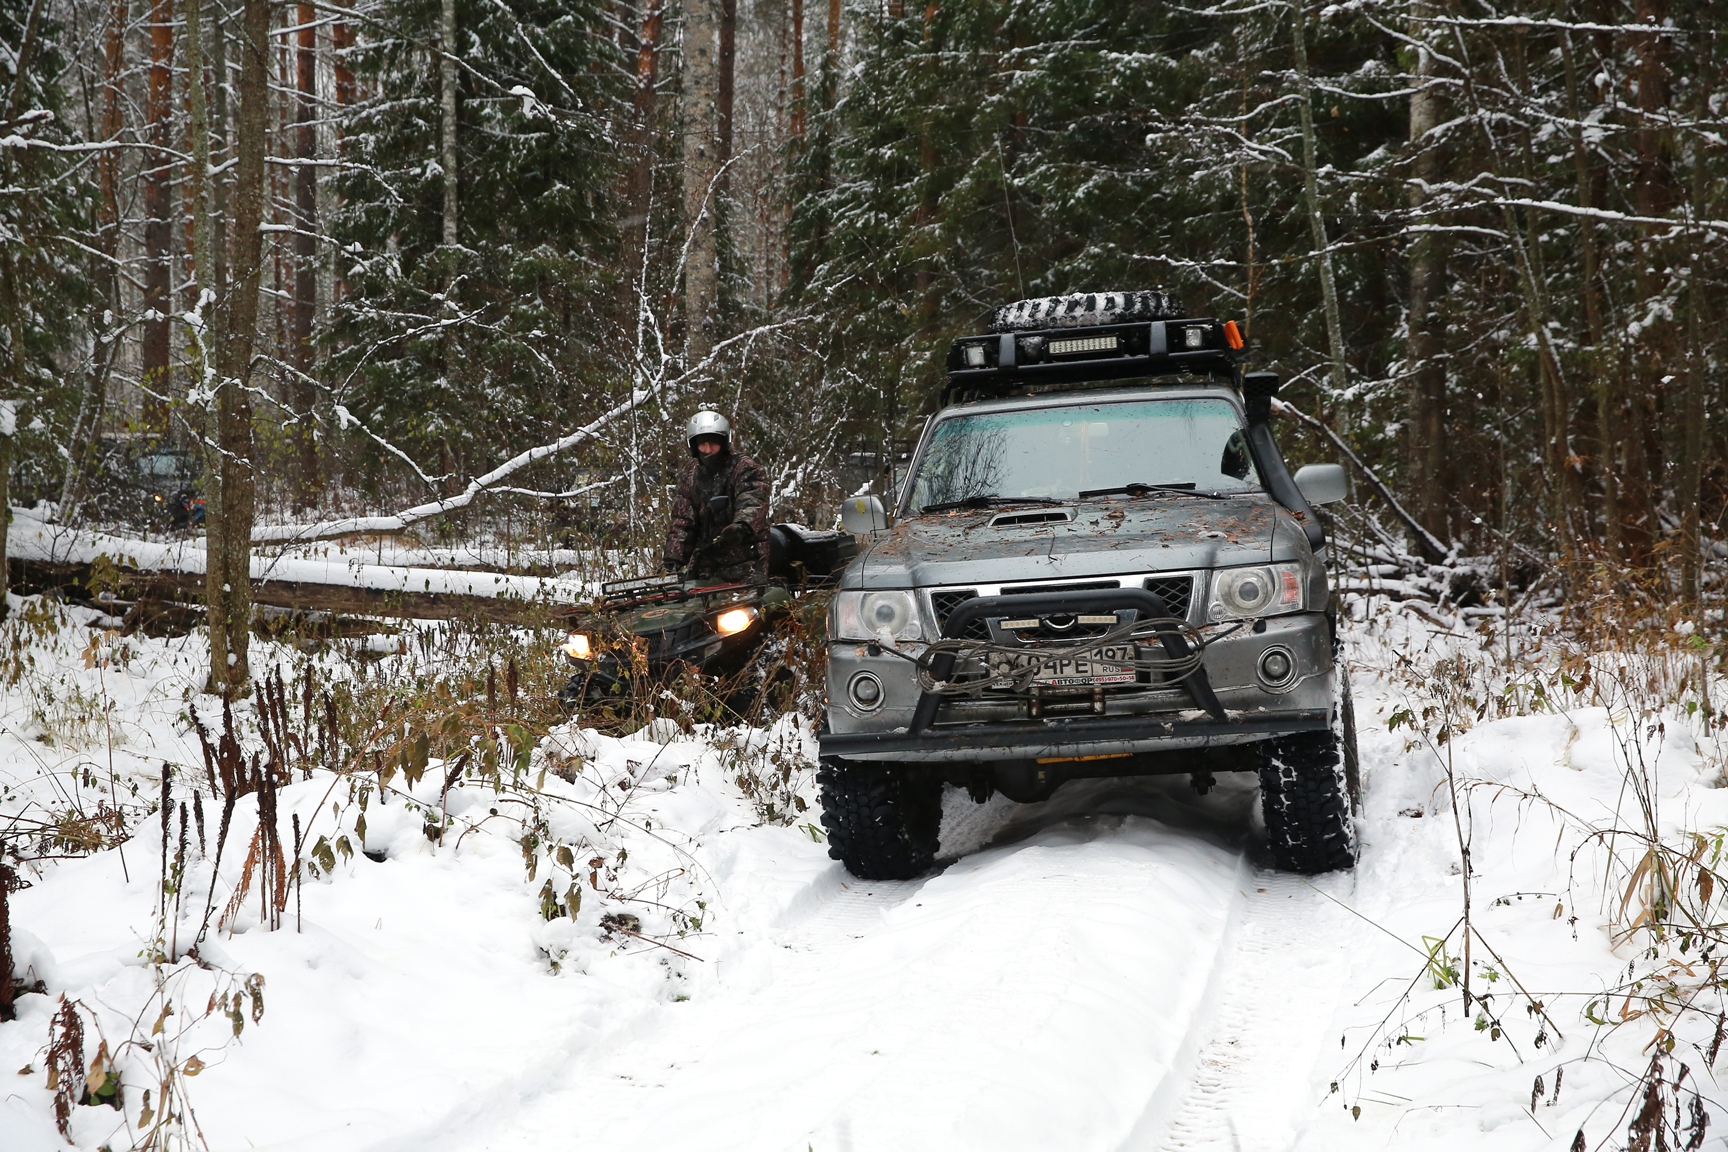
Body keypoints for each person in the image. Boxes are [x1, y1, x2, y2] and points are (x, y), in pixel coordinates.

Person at [663, 411, 770, 582]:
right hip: (706, 562)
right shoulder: (690, 474)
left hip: (745, 559)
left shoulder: (744, 468)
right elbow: (683, 521)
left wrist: (741, 527)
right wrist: (672, 559)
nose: (708, 450)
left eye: (713, 443)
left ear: (724, 442)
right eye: (702, 444)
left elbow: (753, 501)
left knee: (743, 598)